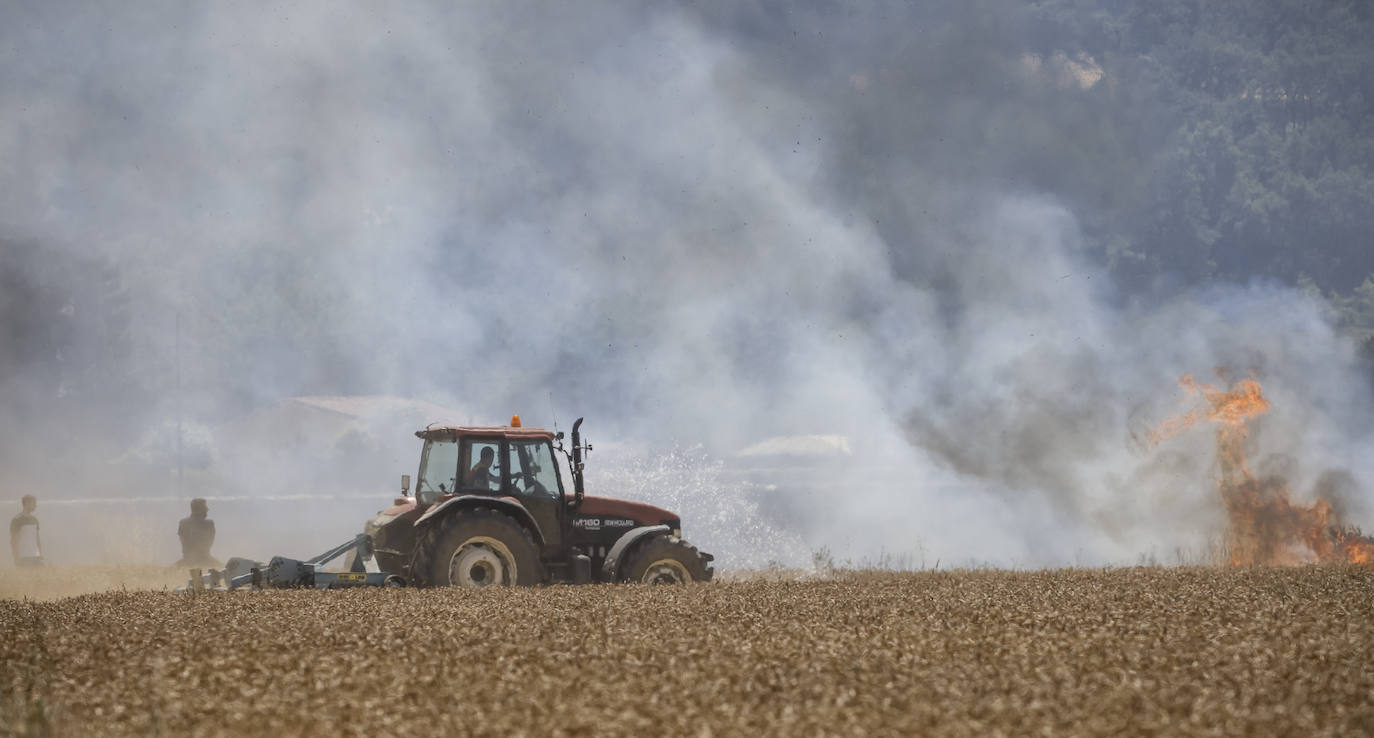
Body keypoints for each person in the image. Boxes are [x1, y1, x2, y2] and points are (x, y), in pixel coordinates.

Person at [175, 498, 220, 568]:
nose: (207, 509)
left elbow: (182, 541)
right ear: (200, 509)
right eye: (205, 507)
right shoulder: (209, 524)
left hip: (187, 559)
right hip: (205, 559)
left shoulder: (183, 523)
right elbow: (210, 542)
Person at [10, 495, 43, 567]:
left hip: (36, 557)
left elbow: (37, 539)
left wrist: (40, 554)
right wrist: (16, 558)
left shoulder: (35, 520)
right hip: (24, 558)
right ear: (27, 503)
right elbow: (13, 541)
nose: (36, 505)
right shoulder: (17, 520)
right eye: (34, 503)